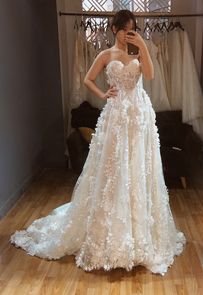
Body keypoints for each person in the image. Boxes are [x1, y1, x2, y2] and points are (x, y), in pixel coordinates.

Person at [10, 9, 186, 276]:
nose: (129, 32)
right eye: (125, 28)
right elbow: (87, 79)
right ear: (114, 28)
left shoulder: (139, 53)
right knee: (114, 168)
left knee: (139, 167)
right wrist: (104, 93)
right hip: (116, 116)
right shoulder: (106, 55)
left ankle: (139, 229)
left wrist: (144, 48)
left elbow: (149, 76)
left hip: (139, 117)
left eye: (133, 28)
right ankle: (109, 226)